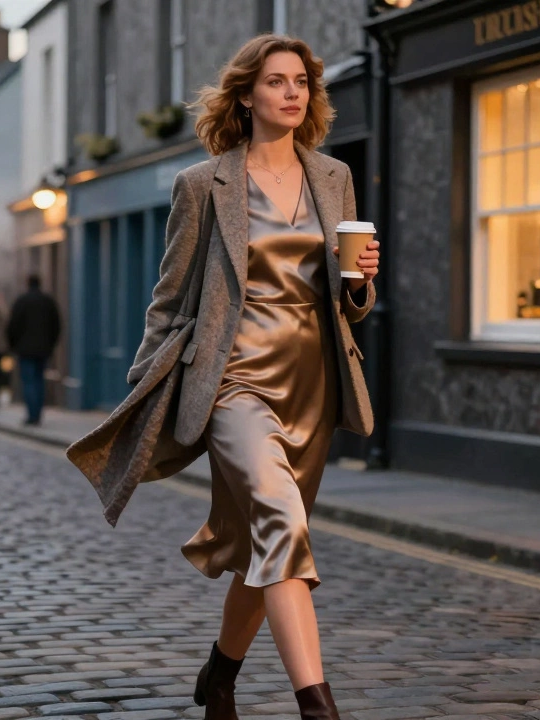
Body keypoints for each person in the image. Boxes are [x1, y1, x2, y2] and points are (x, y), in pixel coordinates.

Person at [94, 36, 381, 720]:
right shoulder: (202, 184)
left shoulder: (333, 177)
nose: (293, 92)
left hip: (313, 381)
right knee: (281, 524)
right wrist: (144, 395)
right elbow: (169, 301)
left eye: (302, 82)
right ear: (247, 94)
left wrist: (362, 281)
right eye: (277, 81)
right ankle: (318, 705)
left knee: (271, 541)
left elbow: (350, 304)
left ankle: (219, 673)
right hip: (235, 381)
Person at [6, 275, 60, 426]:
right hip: (43, 349)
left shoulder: (21, 301)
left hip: (25, 349)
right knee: (39, 380)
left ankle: (32, 415)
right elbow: (56, 325)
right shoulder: (48, 301)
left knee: (29, 381)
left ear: (27, 283)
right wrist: (51, 344)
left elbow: (13, 325)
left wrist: (13, 345)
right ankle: (38, 413)